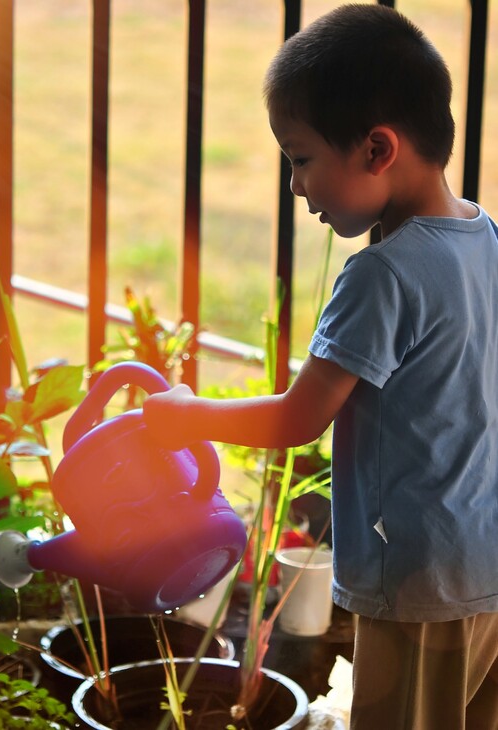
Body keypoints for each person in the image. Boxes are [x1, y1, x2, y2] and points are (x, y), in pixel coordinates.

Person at [142, 4, 498, 728]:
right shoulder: (485, 235)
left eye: (301, 159)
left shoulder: (383, 276)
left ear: (376, 149)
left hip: (422, 581)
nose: (297, 187)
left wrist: (184, 416)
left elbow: (296, 419)